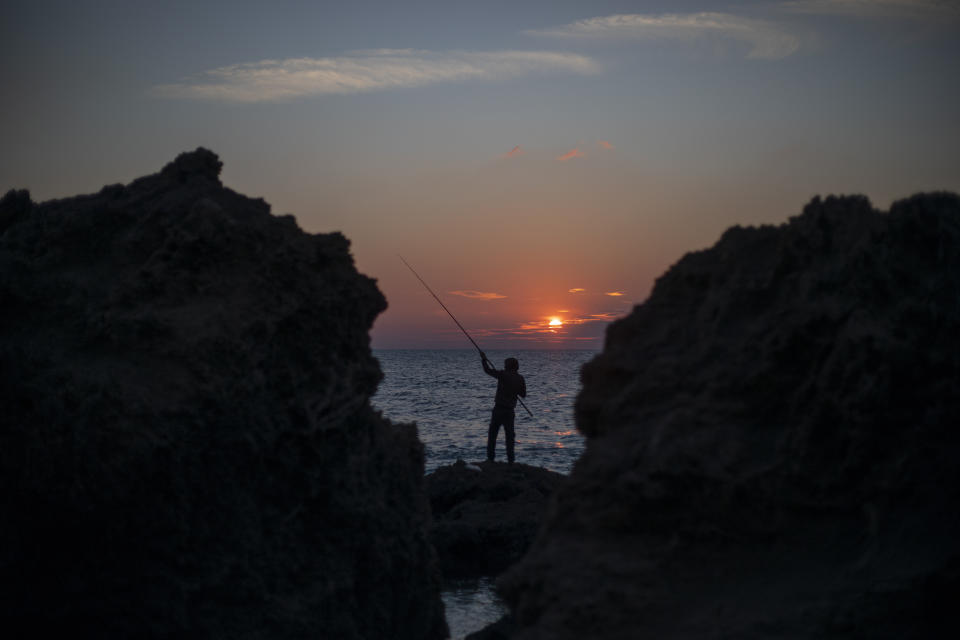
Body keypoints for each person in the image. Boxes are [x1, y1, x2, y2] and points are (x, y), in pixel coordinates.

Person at [480, 352, 526, 463]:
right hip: (510, 412)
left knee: (493, 434)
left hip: (499, 409)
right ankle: (511, 461)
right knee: (509, 437)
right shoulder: (520, 378)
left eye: (505, 365)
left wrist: (484, 359)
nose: (504, 366)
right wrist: (515, 390)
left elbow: (487, 370)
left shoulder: (503, 374)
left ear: (507, 366)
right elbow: (523, 395)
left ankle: (491, 459)